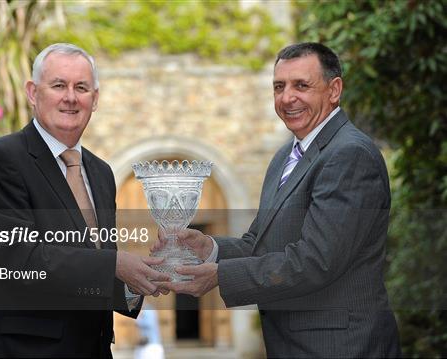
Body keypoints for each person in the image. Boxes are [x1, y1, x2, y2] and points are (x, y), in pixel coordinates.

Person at [157, 42, 401, 358]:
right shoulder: (285, 157)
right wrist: (211, 249)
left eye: (301, 85)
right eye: (279, 87)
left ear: (334, 90)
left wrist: (220, 276)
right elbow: (260, 243)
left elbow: (316, 261)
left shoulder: (349, 155)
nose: (287, 97)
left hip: (340, 347)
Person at [0, 43, 169, 358]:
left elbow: (93, 265)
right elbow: (18, 262)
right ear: (33, 92)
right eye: (58, 85)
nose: (71, 97)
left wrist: (141, 278)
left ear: (95, 99)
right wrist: (115, 264)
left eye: (82, 88)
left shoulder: (101, 173)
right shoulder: (1, 160)